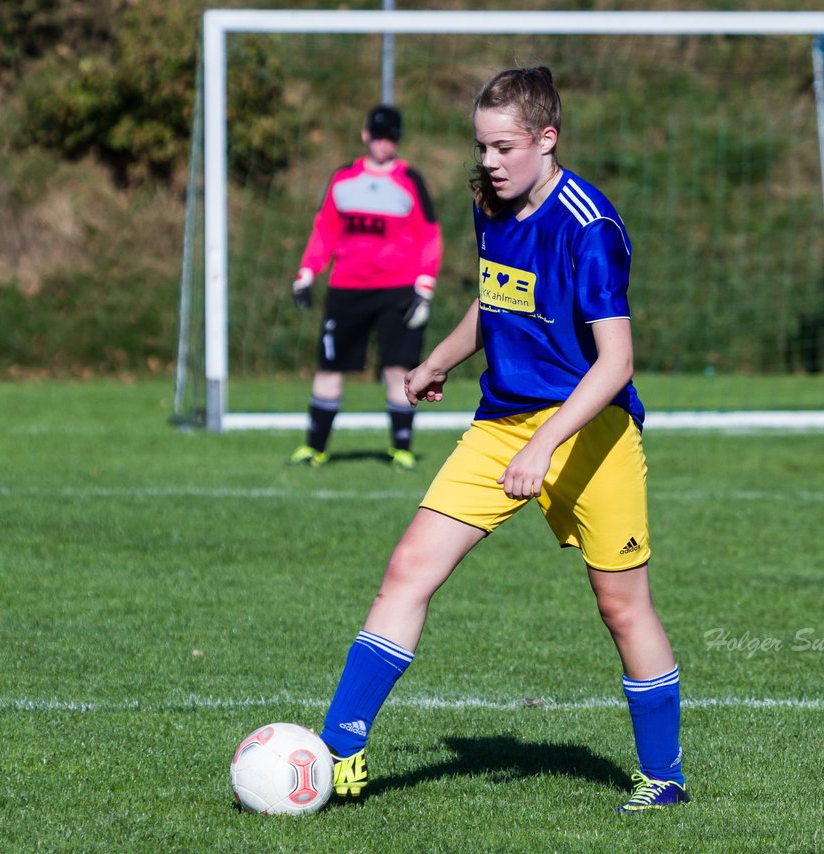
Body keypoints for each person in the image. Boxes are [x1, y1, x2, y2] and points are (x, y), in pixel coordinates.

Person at [317, 67, 688, 813]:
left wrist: (545, 444)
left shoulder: (590, 229)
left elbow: (617, 363)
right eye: (481, 145)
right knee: (408, 567)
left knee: (621, 607)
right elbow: (496, 299)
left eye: (504, 146)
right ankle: (339, 750)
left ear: (546, 139)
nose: (488, 161)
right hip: (501, 424)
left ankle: (664, 779)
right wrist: (435, 362)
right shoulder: (491, 202)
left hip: (590, 428)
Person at [287, 104, 443, 472]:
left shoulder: (411, 181)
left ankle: (401, 449)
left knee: (397, 369)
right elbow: (325, 229)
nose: (383, 143)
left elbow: (429, 237)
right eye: (378, 136)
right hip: (347, 288)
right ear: (365, 135)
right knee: (329, 367)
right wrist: (307, 272)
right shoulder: (343, 178)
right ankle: (314, 449)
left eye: (390, 137)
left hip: (398, 290)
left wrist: (425, 287)